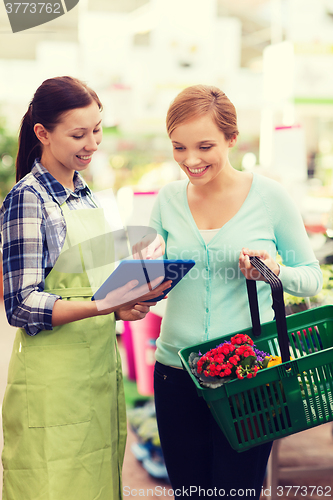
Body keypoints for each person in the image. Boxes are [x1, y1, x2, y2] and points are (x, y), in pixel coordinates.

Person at [147, 85, 323, 499]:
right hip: (176, 371)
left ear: (231, 138)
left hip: (249, 374)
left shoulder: (269, 198)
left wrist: (273, 269)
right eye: (178, 147)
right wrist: (141, 282)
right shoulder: (167, 200)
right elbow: (151, 279)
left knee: (235, 493)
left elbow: (311, 277)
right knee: (189, 493)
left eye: (204, 146)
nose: (190, 160)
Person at [0, 76, 171, 500]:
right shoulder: (28, 199)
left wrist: (128, 298)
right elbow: (21, 304)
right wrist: (103, 306)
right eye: (78, 134)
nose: (92, 143)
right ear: (42, 133)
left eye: (97, 129)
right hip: (53, 386)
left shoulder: (86, 194)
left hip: (95, 377)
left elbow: (86, 282)